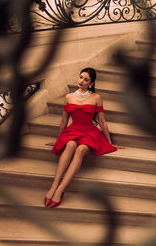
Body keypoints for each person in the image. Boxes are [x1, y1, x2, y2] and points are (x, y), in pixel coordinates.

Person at [45, 67, 121, 208]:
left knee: (80, 149)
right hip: (73, 130)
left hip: (89, 132)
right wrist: (58, 140)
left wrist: (109, 142)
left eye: (86, 79)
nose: (82, 81)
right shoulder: (69, 97)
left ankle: (60, 190)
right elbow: (63, 122)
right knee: (70, 145)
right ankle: (54, 185)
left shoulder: (96, 98)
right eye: (81, 77)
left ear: (91, 83)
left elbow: (102, 121)